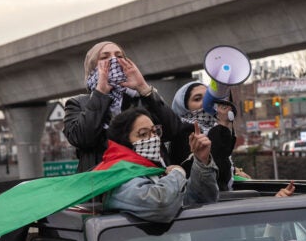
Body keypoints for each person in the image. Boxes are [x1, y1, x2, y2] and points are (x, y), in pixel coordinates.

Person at [64, 41, 183, 171]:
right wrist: (100, 94)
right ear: (93, 67)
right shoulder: (78, 103)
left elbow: (173, 130)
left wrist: (143, 88)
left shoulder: (141, 98)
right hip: (102, 180)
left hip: (147, 177)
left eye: (119, 56)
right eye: (105, 57)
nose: (114, 60)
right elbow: (82, 138)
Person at [95, 107, 219, 223]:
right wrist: (177, 173)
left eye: (154, 131)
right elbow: (160, 205)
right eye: (143, 134)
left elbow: (199, 202)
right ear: (124, 142)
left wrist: (202, 161)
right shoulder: (118, 177)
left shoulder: (153, 170)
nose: (153, 138)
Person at [168, 80, 238, 191]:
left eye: (208, 98)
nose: (205, 102)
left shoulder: (214, 128)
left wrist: (235, 171)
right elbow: (213, 168)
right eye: (197, 99)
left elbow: (223, 165)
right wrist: (222, 125)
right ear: (184, 107)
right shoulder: (184, 132)